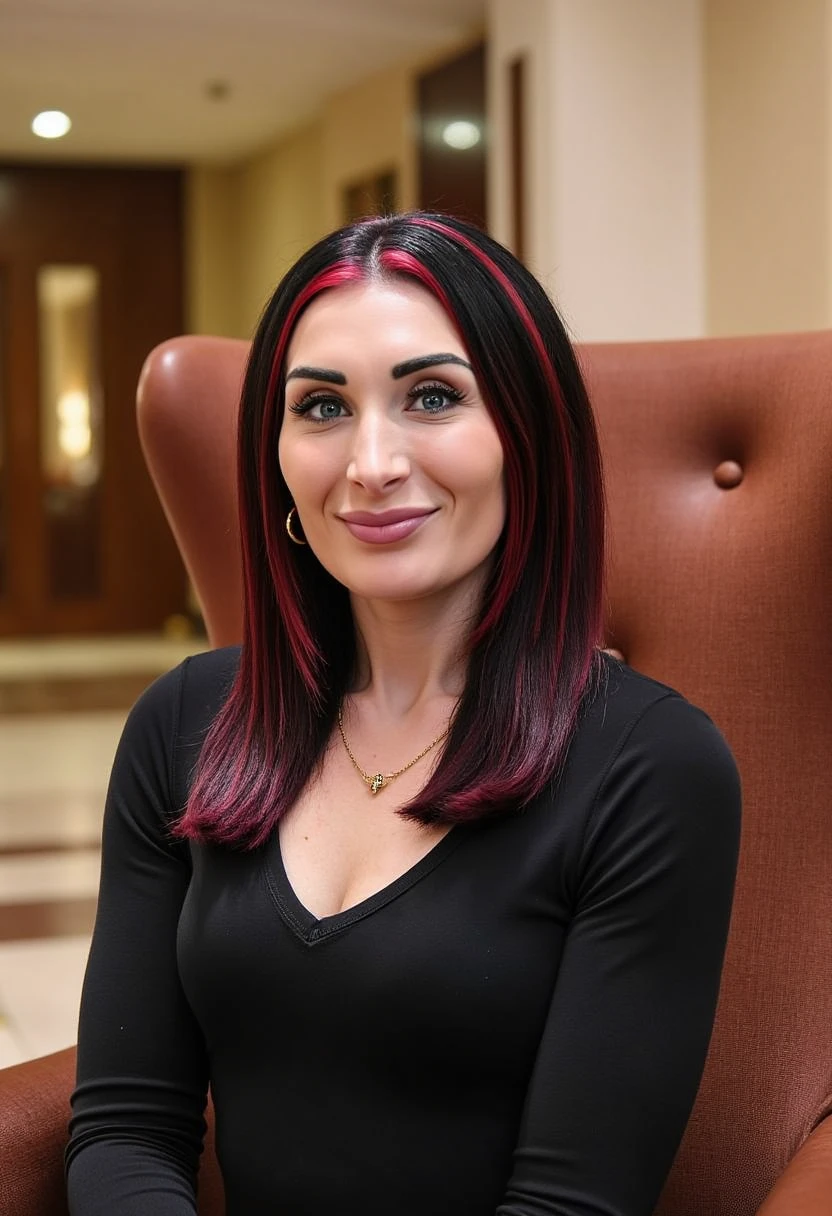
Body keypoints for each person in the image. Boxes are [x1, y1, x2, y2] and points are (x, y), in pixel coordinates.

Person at [66, 212, 741, 1216]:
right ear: (278, 457)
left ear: (527, 435)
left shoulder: (651, 765)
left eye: (431, 396)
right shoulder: (185, 723)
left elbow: (570, 1206)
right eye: (322, 406)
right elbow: (125, 1130)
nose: (370, 462)